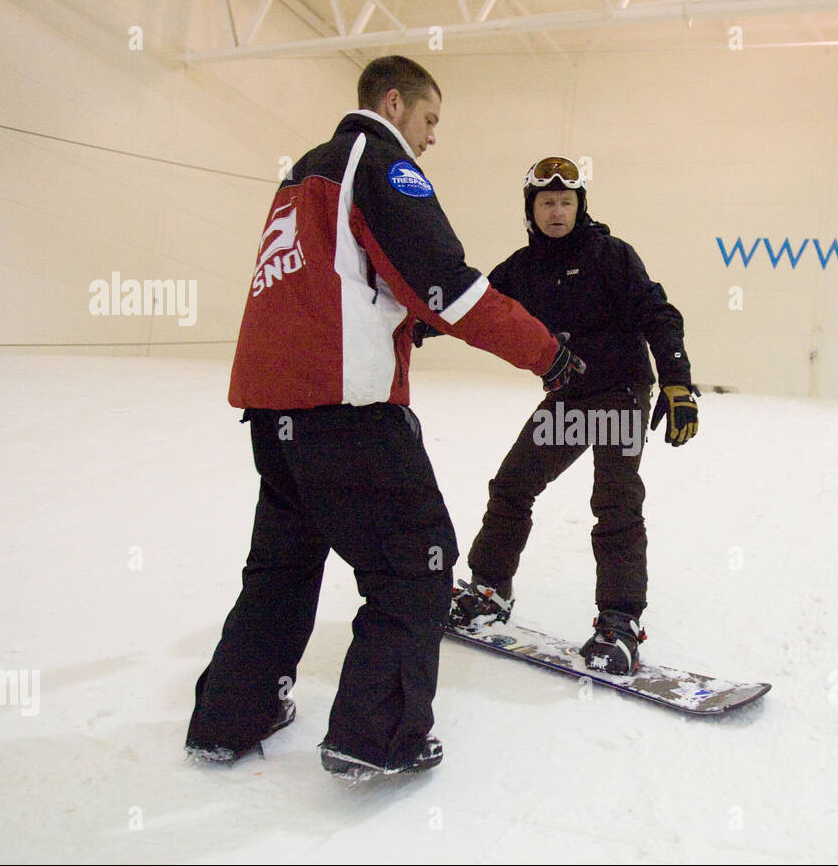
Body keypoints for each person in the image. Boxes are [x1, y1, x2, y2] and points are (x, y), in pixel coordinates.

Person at [184, 57, 584, 781]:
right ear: (394, 103)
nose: (431, 138)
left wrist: (402, 321)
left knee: (281, 568)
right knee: (415, 563)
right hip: (347, 412)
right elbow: (448, 285)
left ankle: (229, 718)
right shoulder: (383, 163)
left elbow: (344, 280)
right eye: (429, 119)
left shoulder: (303, 171)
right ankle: (375, 738)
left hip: (275, 413)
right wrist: (546, 352)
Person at [436, 156, 698, 676]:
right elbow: (475, 307)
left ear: (580, 207)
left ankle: (619, 622)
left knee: (616, 502)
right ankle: (489, 590)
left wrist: (677, 379)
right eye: (547, 203)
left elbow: (658, 313)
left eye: (565, 202)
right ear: (531, 210)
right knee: (513, 486)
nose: (557, 211)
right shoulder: (521, 267)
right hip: (569, 399)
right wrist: (410, 324)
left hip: (621, 394)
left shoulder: (612, 255)